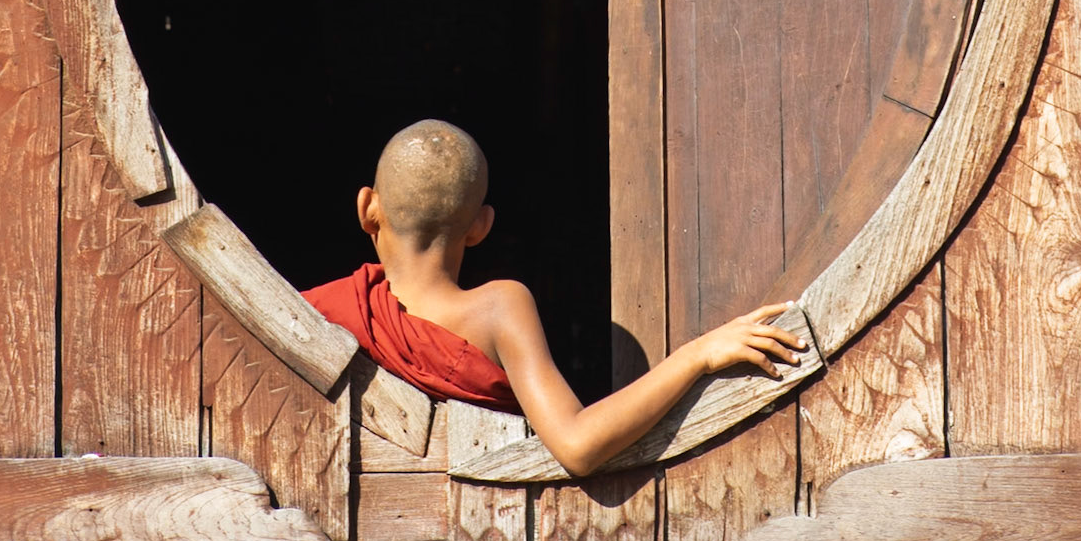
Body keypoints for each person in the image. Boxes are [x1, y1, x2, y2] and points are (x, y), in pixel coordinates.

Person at [302, 117, 808, 479]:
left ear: (368, 207)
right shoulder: (498, 307)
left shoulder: (315, 312)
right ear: (481, 227)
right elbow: (578, 446)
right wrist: (697, 355)